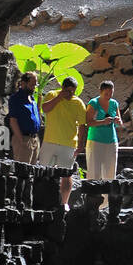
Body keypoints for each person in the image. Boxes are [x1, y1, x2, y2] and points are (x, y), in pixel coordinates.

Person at [37, 77, 86, 209]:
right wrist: (59, 98)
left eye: (73, 92)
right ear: (62, 88)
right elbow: (45, 108)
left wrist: (81, 143)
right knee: (43, 172)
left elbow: (82, 125)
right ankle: (41, 201)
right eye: (68, 91)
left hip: (69, 144)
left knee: (66, 174)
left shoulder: (78, 103)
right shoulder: (52, 95)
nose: (70, 94)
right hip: (49, 141)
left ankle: (64, 203)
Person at [84, 80, 124, 210]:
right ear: (101, 92)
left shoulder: (114, 103)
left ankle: (106, 204)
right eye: (106, 93)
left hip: (111, 141)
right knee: (94, 170)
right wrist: (103, 121)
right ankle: (92, 201)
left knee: (110, 171)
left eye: (111, 93)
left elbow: (120, 122)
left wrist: (117, 121)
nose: (109, 96)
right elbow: (88, 122)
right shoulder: (94, 103)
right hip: (96, 140)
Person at [6, 72, 41, 164]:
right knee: (22, 170)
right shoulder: (15, 99)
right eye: (32, 84)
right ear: (23, 83)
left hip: (34, 140)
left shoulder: (32, 99)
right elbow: (13, 121)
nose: (34, 87)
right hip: (23, 139)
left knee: (32, 171)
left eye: (35, 84)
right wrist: (21, 140)